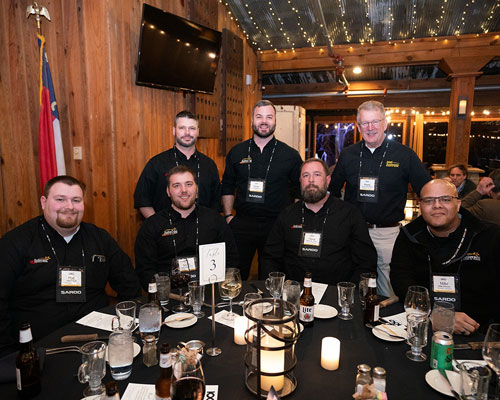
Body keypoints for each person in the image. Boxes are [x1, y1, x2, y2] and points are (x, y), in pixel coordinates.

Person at [0, 176, 141, 356]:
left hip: (99, 339)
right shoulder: (16, 242)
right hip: (41, 348)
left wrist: (127, 330)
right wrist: (7, 354)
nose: (70, 206)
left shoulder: (100, 239)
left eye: (76, 200)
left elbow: (129, 284)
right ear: (44, 202)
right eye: (60, 199)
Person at [329, 100, 431, 297]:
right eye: (365, 123)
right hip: (353, 233)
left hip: (387, 235)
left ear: (385, 123)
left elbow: (426, 190)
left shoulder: (404, 155)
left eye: (375, 121)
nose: (370, 127)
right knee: (352, 288)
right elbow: (332, 191)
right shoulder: (348, 155)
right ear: (358, 127)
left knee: (389, 292)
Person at [390, 179, 500, 335]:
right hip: (424, 324)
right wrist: (437, 314)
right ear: (420, 206)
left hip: (480, 332)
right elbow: (400, 279)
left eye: (445, 199)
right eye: (429, 200)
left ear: (458, 204)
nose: (437, 205)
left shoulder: (490, 236)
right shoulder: (409, 236)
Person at [221, 100, 303, 280]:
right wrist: (228, 217)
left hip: (276, 225)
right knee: (235, 275)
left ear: (275, 121)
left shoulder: (290, 155)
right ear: (252, 120)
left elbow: (299, 191)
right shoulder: (237, 152)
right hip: (242, 224)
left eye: (269, 117)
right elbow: (227, 185)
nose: (264, 121)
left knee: (272, 275)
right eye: (259, 116)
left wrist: (292, 221)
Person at [262, 159, 377, 284]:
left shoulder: (350, 214)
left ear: (327, 181)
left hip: (335, 294)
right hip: (293, 293)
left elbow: (366, 261)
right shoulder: (287, 215)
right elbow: (270, 258)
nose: (311, 180)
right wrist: (277, 287)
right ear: (300, 181)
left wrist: (348, 292)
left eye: (317, 174)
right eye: (306, 175)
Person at [135, 165, 238, 289]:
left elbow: (231, 260)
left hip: (210, 293)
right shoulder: (152, 226)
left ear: (197, 189)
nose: (184, 190)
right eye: (176, 185)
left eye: (189, 184)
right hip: (169, 296)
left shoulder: (215, 220)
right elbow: (145, 270)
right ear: (168, 191)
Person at [134, 110, 221, 218]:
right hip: (166, 231)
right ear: (174, 131)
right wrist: (159, 227)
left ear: (198, 132)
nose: (187, 133)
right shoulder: (156, 163)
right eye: (182, 128)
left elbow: (216, 203)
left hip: (203, 231)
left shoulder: (209, 165)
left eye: (192, 128)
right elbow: (142, 200)